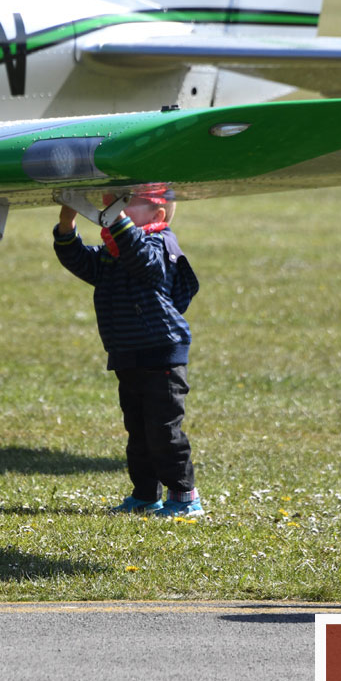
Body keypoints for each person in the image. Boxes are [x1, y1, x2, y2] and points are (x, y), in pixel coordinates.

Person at [53, 188, 202, 517]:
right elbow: (80, 261)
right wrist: (67, 223)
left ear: (156, 215)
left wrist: (116, 218)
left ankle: (184, 497)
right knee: (139, 433)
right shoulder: (115, 251)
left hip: (161, 354)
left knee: (163, 432)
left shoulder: (161, 244)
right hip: (129, 354)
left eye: (126, 203)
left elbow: (144, 262)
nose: (113, 206)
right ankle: (146, 495)